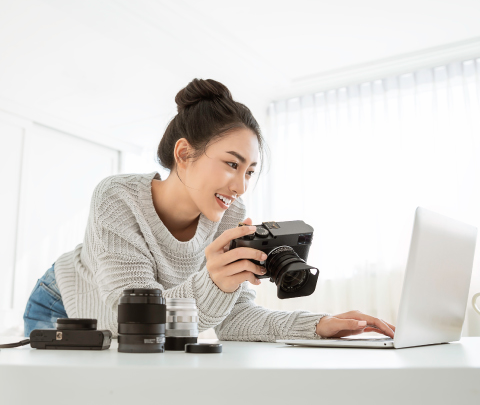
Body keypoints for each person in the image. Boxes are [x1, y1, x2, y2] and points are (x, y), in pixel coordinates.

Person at [23, 78, 395, 341]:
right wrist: (214, 283)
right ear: (184, 154)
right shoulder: (117, 199)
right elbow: (130, 319)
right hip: (66, 305)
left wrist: (318, 325)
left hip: (145, 324)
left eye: (250, 171)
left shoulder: (230, 215)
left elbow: (235, 319)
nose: (241, 186)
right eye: (232, 164)